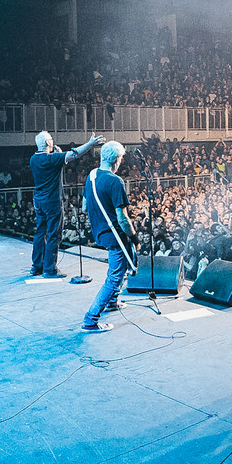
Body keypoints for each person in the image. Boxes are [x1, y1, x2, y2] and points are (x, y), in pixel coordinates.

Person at [80, 141, 136, 332]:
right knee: (114, 277)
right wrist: (134, 237)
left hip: (100, 232)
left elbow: (84, 206)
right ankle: (90, 320)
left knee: (119, 268)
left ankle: (112, 302)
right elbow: (122, 218)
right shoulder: (115, 181)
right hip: (115, 236)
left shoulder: (92, 175)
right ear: (117, 159)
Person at [29, 131, 101, 278]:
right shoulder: (52, 159)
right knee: (53, 234)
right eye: (51, 139)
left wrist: (57, 156)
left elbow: (50, 166)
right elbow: (75, 154)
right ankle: (50, 269)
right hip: (52, 201)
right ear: (48, 143)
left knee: (40, 232)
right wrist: (90, 144)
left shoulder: (33, 159)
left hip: (39, 200)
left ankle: (36, 266)